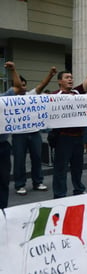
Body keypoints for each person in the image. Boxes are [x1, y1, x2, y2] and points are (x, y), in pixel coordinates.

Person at [52, 54, 87, 199]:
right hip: (63, 138)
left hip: (78, 138)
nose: (70, 79)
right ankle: (60, 194)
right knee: (61, 168)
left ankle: (78, 190)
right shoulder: (55, 96)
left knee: (77, 167)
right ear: (59, 81)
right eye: (67, 77)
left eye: (71, 77)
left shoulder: (77, 92)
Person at [9, 66, 57, 195]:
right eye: (20, 85)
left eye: (24, 85)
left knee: (37, 158)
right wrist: (13, 70)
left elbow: (42, 85)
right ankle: (20, 185)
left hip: (34, 132)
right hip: (19, 135)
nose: (22, 88)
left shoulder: (31, 95)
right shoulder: (9, 100)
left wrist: (51, 75)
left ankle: (38, 182)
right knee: (19, 160)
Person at [1, 61, 23, 208]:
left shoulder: (3, 98)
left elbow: (18, 88)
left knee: (3, 181)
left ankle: (2, 211)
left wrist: (13, 70)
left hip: (2, 147)